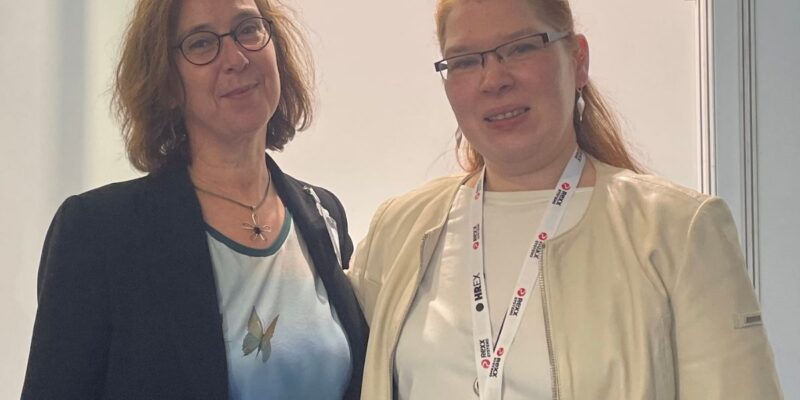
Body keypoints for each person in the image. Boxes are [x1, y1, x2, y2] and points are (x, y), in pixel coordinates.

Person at [347, 0, 782, 398]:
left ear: (578, 60)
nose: (493, 79)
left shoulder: (676, 231)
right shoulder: (398, 232)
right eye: (464, 61)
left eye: (520, 48)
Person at [22, 0, 367, 399]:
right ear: (167, 83)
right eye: (201, 43)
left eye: (248, 29)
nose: (236, 58)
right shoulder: (98, 234)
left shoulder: (323, 215)